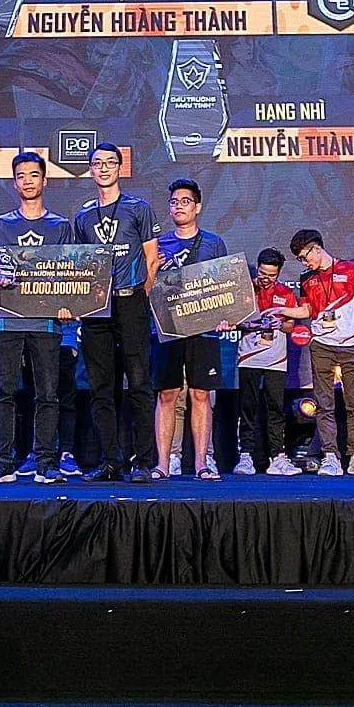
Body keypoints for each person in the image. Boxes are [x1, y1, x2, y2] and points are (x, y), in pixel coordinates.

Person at [0, 153, 74, 484]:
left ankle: (45, 462)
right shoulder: (1, 224)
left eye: (34, 175)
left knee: (47, 394)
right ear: (14, 183)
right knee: (3, 392)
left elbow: (72, 271)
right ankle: (2, 462)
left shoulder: (60, 226)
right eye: (21, 176)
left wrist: (67, 305)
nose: (28, 181)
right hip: (6, 320)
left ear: (44, 180)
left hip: (46, 321)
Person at [72, 143, 163, 483]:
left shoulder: (138, 208)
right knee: (101, 388)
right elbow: (80, 264)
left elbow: (151, 259)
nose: (104, 167)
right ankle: (111, 461)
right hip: (96, 308)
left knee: (139, 383)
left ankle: (143, 462)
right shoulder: (82, 216)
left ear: (120, 168)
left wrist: (139, 296)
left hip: (130, 302)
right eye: (97, 163)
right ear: (90, 170)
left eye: (110, 162)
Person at [152, 178, 231, 481]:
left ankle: (201, 464)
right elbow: (146, 288)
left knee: (200, 394)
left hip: (204, 329)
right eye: (174, 202)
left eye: (185, 201)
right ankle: (162, 464)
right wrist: (152, 269)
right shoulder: (159, 244)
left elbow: (225, 285)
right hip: (168, 328)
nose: (178, 207)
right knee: (167, 394)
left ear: (197, 207)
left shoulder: (213, 243)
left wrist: (224, 316)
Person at [288, 228, 354, 477]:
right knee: (324, 404)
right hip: (322, 345)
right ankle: (330, 457)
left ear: (316, 249)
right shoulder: (306, 279)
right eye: (300, 260)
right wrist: (280, 311)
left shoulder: (350, 269)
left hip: (351, 344)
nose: (304, 263)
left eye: (304, 257)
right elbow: (306, 311)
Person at [235, 249, 298, 476]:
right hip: (249, 356)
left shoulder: (285, 293)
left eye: (271, 275)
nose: (266, 279)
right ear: (257, 267)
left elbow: (291, 325)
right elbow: (235, 321)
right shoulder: (245, 289)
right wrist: (251, 324)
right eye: (262, 273)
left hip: (276, 358)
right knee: (248, 407)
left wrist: (279, 324)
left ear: (278, 273)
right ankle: (245, 456)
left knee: (276, 408)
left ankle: (277, 457)